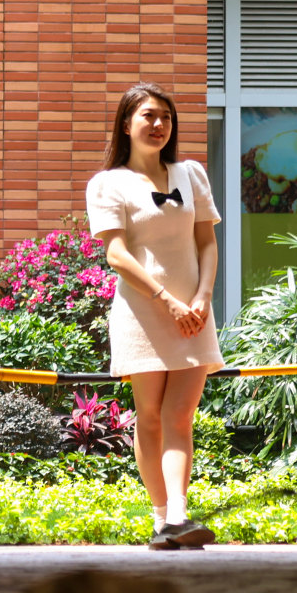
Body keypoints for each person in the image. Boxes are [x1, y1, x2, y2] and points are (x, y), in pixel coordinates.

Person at [86, 83, 223, 550]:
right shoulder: (107, 183)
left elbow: (206, 242)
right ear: (127, 123)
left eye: (165, 116)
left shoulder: (191, 174)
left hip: (195, 314)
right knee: (149, 417)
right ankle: (163, 518)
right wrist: (168, 299)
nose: (159, 124)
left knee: (180, 416)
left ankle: (177, 518)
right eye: (148, 115)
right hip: (143, 312)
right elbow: (117, 255)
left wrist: (203, 297)